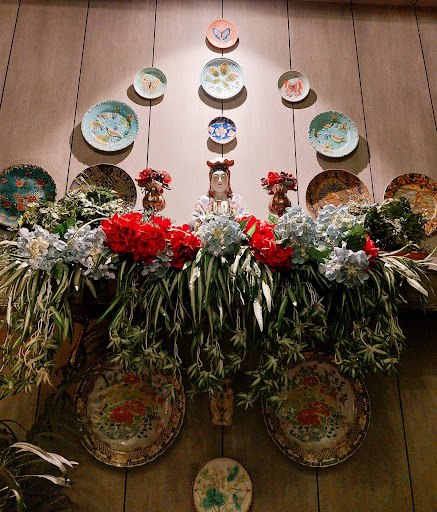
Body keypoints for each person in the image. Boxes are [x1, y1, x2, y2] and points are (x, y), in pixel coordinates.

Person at [190, 159, 249, 229]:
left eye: (223, 177)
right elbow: (192, 221)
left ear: (228, 180)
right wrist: (203, 220)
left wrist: (233, 220)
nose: (220, 181)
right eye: (216, 177)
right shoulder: (203, 200)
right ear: (211, 181)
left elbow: (248, 218)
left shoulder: (236, 199)